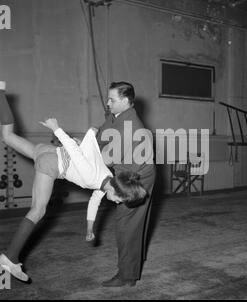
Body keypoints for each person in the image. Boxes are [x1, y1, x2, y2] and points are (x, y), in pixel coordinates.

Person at [0, 82, 147, 282]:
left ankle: (0, 93)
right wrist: (57, 129)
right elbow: (75, 154)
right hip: (51, 164)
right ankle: (9, 257)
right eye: (120, 200)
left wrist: (89, 228)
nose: (117, 202)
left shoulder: (106, 180)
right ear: (115, 191)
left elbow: (94, 202)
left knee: (8, 136)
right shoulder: (92, 178)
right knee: (38, 211)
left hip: (49, 151)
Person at [94, 81, 156, 287]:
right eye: (108, 98)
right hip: (130, 169)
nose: (107, 102)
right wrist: (87, 141)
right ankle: (135, 261)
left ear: (126, 101)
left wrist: (111, 186)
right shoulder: (117, 116)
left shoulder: (130, 126)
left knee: (126, 225)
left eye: (112, 99)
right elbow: (102, 132)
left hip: (136, 177)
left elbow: (110, 160)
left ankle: (127, 276)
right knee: (135, 223)